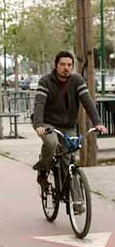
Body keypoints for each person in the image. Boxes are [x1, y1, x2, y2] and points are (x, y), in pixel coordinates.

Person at [32, 51, 107, 192]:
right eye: (62, 64)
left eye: (69, 65)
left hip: (68, 125)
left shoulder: (77, 80)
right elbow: (39, 104)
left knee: (68, 156)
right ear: (56, 66)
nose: (66, 68)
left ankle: (70, 195)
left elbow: (88, 102)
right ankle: (42, 172)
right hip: (48, 123)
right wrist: (38, 125)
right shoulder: (46, 81)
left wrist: (98, 122)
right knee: (51, 143)